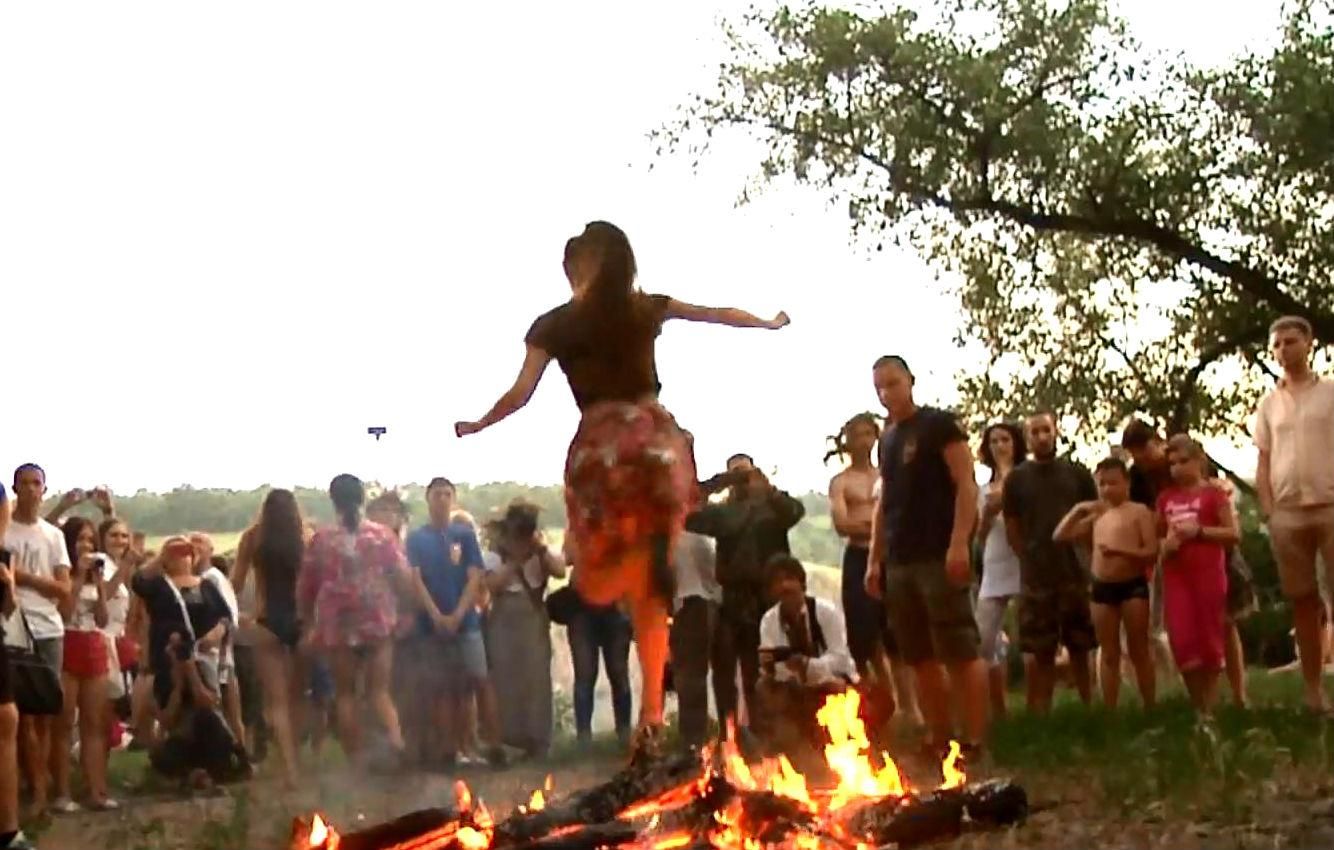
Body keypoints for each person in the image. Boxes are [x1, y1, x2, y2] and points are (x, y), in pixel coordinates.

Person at [454, 220, 789, 748]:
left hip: (604, 452)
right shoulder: (643, 307)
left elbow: (520, 394)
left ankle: (651, 697)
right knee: (651, 591)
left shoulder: (555, 324)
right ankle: (652, 709)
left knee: (612, 579)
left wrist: (479, 424)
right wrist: (767, 323)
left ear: (577, 269)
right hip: (656, 447)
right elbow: (716, 314)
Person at [863, 356, 987, 762]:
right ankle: (940, 736)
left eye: (893, 384)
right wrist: (874, 559)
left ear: (910, 381)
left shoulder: (939, 426)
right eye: (879, 387)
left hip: (938, 552)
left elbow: (966, 485)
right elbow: (884, 504)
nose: (887, 394)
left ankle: (974, 737)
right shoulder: (888, 439)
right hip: (899, 558)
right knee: (919, 654)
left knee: (959, 647)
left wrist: (958, 543)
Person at [1122, 420, 1253, 706]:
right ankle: (1202, 699)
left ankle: (1239, 693)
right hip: (1175, 558)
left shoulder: (1189, 460)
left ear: (1157, 441)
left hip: (1215, 555)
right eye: (1134, 455)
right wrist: (1160, 544)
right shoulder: (1139, 478)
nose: (1141, 460)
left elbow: (1222, 504)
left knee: (1225, 622)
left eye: (1144, 450)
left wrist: (1206, 532)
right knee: (1183, 627)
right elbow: (1148, 521)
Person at [689, 454, 805, 746]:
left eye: (745, 473)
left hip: (769, 594)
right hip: (734, 595)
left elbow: (795, 511)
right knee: (729, 666)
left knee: (769, 664)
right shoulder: (723, 513)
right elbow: (691, 517)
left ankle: (772, 730)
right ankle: (732, 733)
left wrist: (768, 488)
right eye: (736, 474)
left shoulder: (773, 507)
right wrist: (715, 485)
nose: (742, 479)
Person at [298, 474, 413, 768]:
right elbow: (402, 577)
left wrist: (308, 622)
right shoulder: (381, 535)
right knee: (379, 691)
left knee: (345, 694)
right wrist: (405, 611)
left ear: (333, 500)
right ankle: (396, 742)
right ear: (362, 499)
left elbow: (307, 586)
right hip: (376, 621)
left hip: (338, 625)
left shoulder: (322, 539)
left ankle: (356, 761)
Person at [1253, 315, 1334, 713]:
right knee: (1302, 600)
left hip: (1331, 505)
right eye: (1277, 345)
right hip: (1288, 513)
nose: (1284, 350)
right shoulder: (1268, 404)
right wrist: (1269, 511)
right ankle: (1313, 691)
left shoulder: (1331, 393)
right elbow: (1264, 459)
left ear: (1309, 343)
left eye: (1291, 341)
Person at [828, 413, 921, 726]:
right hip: (857, 558)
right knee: (863, 637)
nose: (864, 441)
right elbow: (842, 524)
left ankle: (910, 706)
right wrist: (875, 525)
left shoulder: (887, 475)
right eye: (858, 435)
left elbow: (900, 517)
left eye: (870, 434)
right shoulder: (841, 482)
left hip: (889, 557)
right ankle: (878, 704)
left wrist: (873, 525)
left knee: (899, 633)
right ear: (848, 441)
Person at [132, 537, 247, 788]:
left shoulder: (206, 586)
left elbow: (225, 616)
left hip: (206, 660)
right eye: (176, 551)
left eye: (187, 550)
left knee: (207, 713)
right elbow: (138, 582)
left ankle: (209, 766)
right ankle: (184, 768)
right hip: (170, 661)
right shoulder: (159, 587)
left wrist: (218, 631)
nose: (182, 555)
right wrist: (159, 559)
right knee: (178, 715)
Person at [1002, 413, 1098, 713]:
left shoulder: (1077, 474)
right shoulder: (1017, 479)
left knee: (1081, 646)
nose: (1041, 436)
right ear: (1027, 438)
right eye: (1034, 432)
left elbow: (1093, 516)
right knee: (1039, 650)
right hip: (1037, 576)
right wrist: (1028, 558)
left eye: (1046, 430)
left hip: (1074, 573)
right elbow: (1012, 526)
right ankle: (1040, 714)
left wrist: (1088, 559)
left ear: (1055, 432)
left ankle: (1090, 709)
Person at [405, 479, 504, 767]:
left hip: (467, 623)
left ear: (454, 498)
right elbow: (415, 579)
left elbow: (475, 576)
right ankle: (447, 750)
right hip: (430, 624)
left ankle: (492, 745)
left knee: (479, 681)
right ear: (428, 498)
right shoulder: (416, 538)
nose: (443, 500)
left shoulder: (464, 534)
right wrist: (436, 615)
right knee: (441, 687)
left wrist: (459, 614)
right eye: (437, 494)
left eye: (448, 494)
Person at [1052, 458, 1157, 709]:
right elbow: (1060, 536)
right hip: (1102, 587)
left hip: (1132, 585)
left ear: (1126, 483)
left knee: (1138, 647)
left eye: (1113, 483)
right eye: (1102, 484)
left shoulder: (1138, 512)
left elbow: (1151, 551)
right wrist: (1077, 510)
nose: (1108, 489)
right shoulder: (1098, 514)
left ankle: (1150, 704)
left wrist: (1122, 551)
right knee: (1108, 651)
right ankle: (1110, 708)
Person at [2, 465, 71, 818]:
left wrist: (22, 576)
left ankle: (42, 788)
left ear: (45, 489)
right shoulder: (5, 530)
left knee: (45, 711)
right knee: (21, 716)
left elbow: (63, 588)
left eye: (36, 483)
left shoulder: (52, 536)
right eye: (24, 484)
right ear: (15, 488)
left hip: (48, 627)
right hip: (13, 626)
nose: (31, 490)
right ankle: (30, 790)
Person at [1157, 436, 1240, 714]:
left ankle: (1211, 705)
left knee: (1210, 636)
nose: (1177, 468)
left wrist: (1200, 532)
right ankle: (1197, 704)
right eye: (1172, 464)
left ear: (1199, 461)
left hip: (1208, 573)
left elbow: (1233, 534)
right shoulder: (1165, 498)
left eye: (1183, 461)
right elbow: (1156, 536)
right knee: (1182, 638)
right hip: (1176, 575)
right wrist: (1164, 547)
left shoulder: (1214, 495)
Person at [231, 489, 307, 786]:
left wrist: (239, 616)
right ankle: (297, 759)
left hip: (267, 621)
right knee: (297, 697)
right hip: (300, 619)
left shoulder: (253, 537)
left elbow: (235, 583)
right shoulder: (305, 536)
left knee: (275, 702)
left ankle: (289, 768)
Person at [755, 555, 856, 768]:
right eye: (778, 581)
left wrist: (809, 666)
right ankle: (791, 750)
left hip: (831, 683)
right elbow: (773, 664)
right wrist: (783, 668)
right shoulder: (770, 621)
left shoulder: (825, 612)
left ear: (802, 582)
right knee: (764, 687)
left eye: (789, 579)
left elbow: (840, 658)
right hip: (794, 687)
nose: (785, 586)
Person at [482, 502, 565, 758]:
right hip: (504, 615)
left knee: (536, 678)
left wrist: (540, 551)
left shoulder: (540, 552)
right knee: (505, 678)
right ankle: (509, 740)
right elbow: (492, 586)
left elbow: (560, 571)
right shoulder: (496, 554)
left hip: (533, 614)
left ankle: (538, 741)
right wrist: (513, 561)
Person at [51, 518, 116, 812]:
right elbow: (63, 611)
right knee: (63, 724)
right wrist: (78, 575)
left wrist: (100, 585)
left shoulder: (96, 577)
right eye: (80, 539)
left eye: (91, 540)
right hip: (67, 643)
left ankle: (96, 791)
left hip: (94, 645)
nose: (87, 545)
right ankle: (63, 793)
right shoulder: (63, 573)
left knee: (94, 724)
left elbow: (103, 619)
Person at [974, 422, 1026, 719]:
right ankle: (997, 709)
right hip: (993, 566)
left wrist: (1008, 472)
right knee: (984, 640)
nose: (999, 446)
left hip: (1023, 564)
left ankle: (1036, 710)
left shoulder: (1026, 481)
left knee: (1028, 639)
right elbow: (978, 537)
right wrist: (988, 514)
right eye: (993, 441)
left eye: (1005, 439)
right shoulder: (983, 490)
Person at [0, 485, 39, 849]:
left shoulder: (4, 554)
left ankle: (9, 829)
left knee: (7, 719)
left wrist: (10, 590)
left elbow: (8, 610)